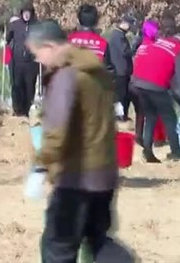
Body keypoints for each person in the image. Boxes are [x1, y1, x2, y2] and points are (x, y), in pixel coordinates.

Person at [25, 20, 130, 263]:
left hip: (76, 177)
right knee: (97, 240)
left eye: (37, 54)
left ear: (50, 46)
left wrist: (41, 166)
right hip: (103, 175)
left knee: (57, 246)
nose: (38, 61)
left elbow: (57, 129)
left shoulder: (66, 76)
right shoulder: (95, 70)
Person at [131, 19, 180, 163]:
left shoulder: (158, 42)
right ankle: (176, 153)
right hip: (155, 85)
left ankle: (147, 150)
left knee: (151, 115)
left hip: (138, 83)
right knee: (170, 118)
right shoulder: (179, 49)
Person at [128, 20, 167, 147]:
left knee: (141, 110)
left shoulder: (139, 44)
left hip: (135, 82)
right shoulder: (153, 45)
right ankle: (156, 139)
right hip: (148, 82)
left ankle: (139, 136)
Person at [5, 0, 41, 117]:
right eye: (24, 12)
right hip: (17, 61)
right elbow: (8, 38)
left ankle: (26, 109)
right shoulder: (15, 25)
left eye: (28, 12)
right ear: (21, 13)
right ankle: (17, 109)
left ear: (32, 13)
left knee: (29, 86)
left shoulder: (37, 26)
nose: (26, 15)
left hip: (31, 63)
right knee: (17, 85)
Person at [107, 15, 136, 120]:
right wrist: (135, 45)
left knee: (125, 97)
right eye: (129, 25)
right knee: (121, 97)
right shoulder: (117, 36)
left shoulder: (119, 35)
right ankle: (120, 117)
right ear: (125, 23)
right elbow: (125, 52)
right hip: (120, 72)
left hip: (122, 71)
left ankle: (123, 116)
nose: (130, 28)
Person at [67, 4, 114, 70]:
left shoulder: (68, 40)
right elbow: (107, 67)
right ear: (96, 22)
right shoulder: (103, 44)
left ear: (78, 21)